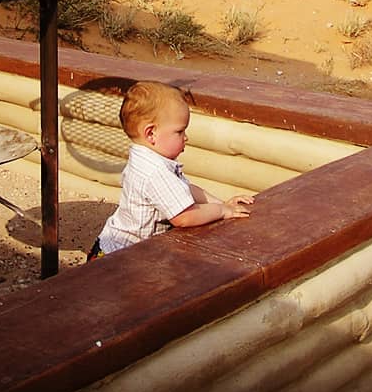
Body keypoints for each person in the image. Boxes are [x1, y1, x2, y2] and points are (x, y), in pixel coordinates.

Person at [87, 81, 254, 260]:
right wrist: (221, 211)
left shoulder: (147, 157)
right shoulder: (154, 171)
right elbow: (184, 217)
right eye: (179, 132)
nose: (186, 137)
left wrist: (222, 203)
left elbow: (185, 189)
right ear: (151, 134)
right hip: (120, 260)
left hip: (115, 248)